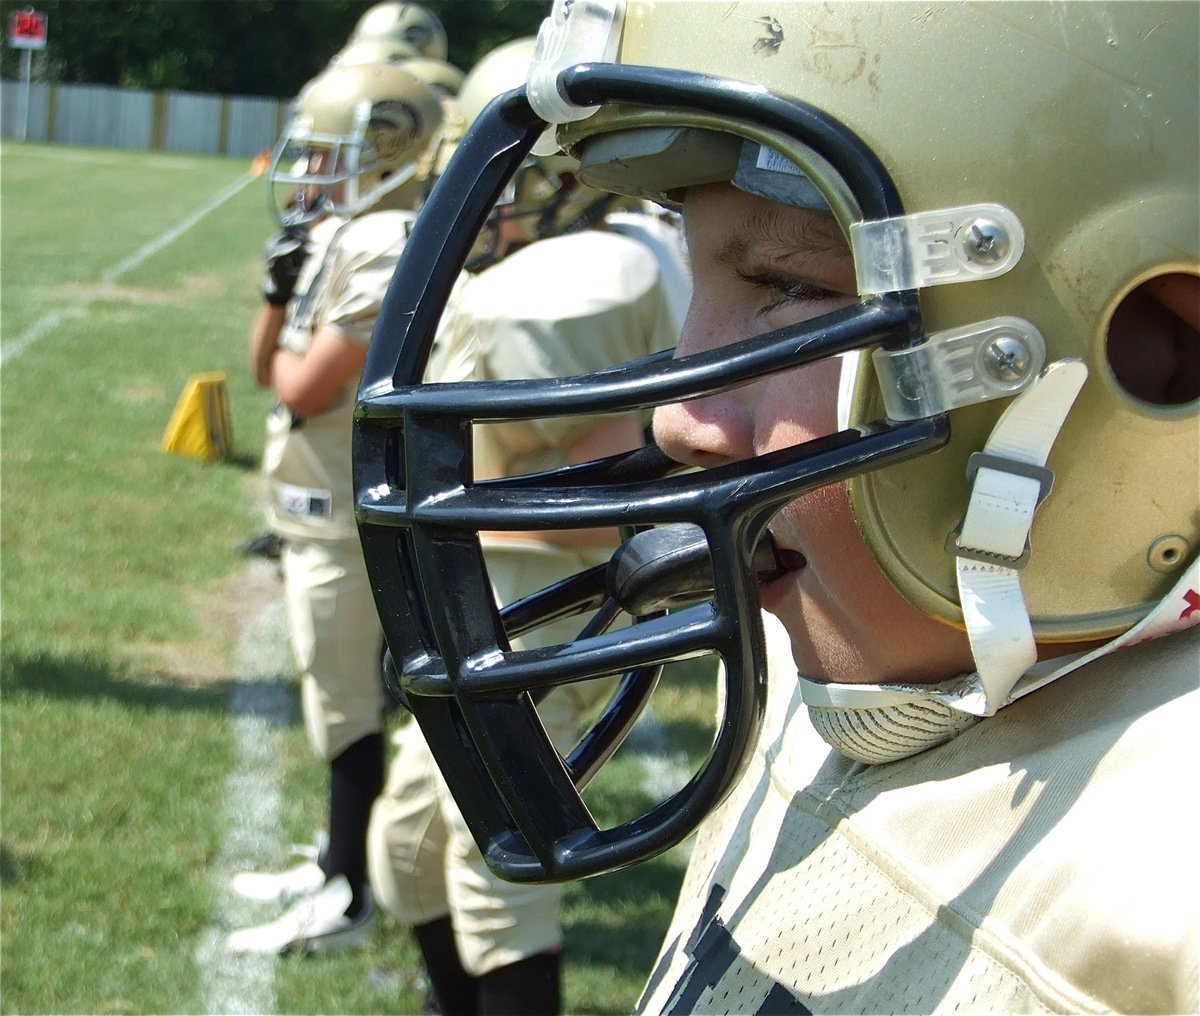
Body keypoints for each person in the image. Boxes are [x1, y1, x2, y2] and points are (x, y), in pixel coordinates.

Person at [352, 1, 1199, 1012]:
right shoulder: (816, 681)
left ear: (1161, 352)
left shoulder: (1163, 886)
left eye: (788, 285)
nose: (676, 420)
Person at [363, 37, 689, 1014]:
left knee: (492, 855)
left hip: (536, 602)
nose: (477, 205)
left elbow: (571, 492)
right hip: (481, 601)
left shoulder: (583, 278)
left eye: (499, 179)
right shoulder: (591, 261)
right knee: (408, 847)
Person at [224, 60, 444, 956]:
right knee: (333, 694)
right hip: (316, 503)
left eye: (328, 153)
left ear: (386, 149)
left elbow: (305, 386)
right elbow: (265, 367)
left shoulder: (385, 236)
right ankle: (336, 859)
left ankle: (350, 892)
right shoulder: (341, 233)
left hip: (349, 509)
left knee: (348, 698)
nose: (309, 171)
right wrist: (277, 296)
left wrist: (283, 317)